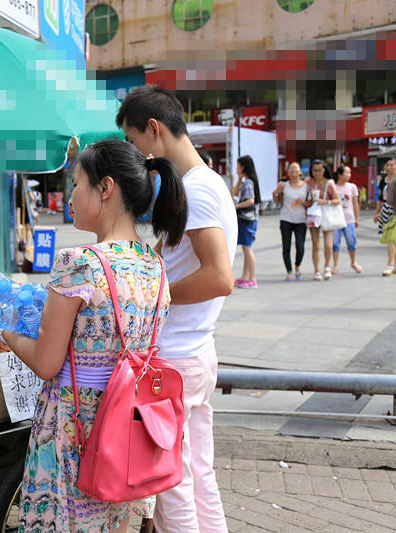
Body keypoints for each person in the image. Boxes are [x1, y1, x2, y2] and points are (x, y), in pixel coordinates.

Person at [0, 139, 187, 532]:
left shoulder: (78, 263)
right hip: (127, 434)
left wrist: (5, 333)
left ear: (106, 188)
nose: (71, 197)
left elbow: (48, 364)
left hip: (75, 431)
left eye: (77, 184)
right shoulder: (154, 263)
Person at [118, 84, 235, 533]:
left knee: (173, 484)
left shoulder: (197, 190)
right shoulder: (204, 183)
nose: (136, 154)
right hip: (192, 354)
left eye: (133, 141)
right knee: (196, 473)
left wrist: (156, 294)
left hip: (176, 358)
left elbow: (219, 277)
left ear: (153, 129)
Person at [272, 162, 309, 280]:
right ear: (288, 173)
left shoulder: (306, 186)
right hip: (286, 218)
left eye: (295, 169)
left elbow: (310, 203)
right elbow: (277, 201)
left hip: (301, 219)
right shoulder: (284, 185)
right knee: (286, 246)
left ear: (300, 172)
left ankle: (297, 266)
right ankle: (289, 271)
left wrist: (302, 203)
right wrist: (275, 194)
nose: (293, 172)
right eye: (291, 170)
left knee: (300, 245)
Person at [305, 160, 341, 281]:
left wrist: (325, 202)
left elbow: (338, 200)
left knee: (328, 244)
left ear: (324, 170)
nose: (317, 173)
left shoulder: (329, 183)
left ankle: (327, 266)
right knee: (316, 244)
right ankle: (316, 270)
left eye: (320, 170)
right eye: (315, 170)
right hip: (314, 214)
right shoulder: (308, 182)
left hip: (327, 215)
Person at [233, 155, 262, 288]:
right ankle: (245, 277)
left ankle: (252, 278)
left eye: (238, 166)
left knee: (248, 248)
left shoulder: (249, 183)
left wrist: (237, 207)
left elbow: (251, 200)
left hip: (247, 219)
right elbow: (234, 193)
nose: (236, 168)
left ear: (243, 166)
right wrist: (239, 180)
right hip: (247, 220)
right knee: (246, 248)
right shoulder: (247, 181)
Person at [331, 164, 363, 274]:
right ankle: (335, 265)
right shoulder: (333, 186)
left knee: (351, 241)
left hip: (349, 219)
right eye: (347, 173)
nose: (349, 175)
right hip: (335, 220)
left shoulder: (352, 187)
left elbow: (355, 203)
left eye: (350, 172)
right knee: (335, 243)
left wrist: (357, 218)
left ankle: (353, 263)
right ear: (340, 175)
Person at [375, 158, 396, 276]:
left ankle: (390, 264)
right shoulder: (384, 180)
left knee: (392, 239)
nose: (389, 167)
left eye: (392, 165)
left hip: (394, 210)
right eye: (387, 165)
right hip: (386, 210)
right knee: (391, 238)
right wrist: (377, 212)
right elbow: (380, 198)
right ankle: (392, 264)